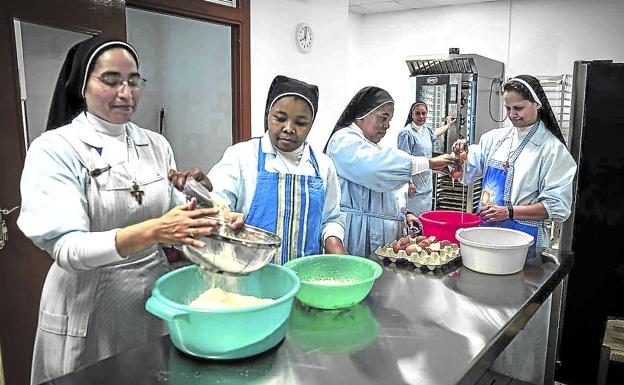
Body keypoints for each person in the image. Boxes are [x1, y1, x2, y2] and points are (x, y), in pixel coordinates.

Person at [17, 36, 241, 384]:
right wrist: (154, 231)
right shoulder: (54, 149)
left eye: (134, 81)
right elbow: (67, 249)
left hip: (150, 296)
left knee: (149, 374)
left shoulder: (155, 144)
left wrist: (214, 219)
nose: (126, 92)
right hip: (87, 301)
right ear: (82, 86)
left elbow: (176, 217)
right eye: (111, 80)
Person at [451, 74, 577, 384]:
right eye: (508, 108)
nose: (512, 115)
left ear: (537, 105)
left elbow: (558, 207)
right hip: (486, 240)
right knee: (483, 314)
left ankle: (519, 378)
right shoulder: (496, 139)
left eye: (518, 108)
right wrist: (460, 156)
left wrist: (509, 210)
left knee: (520, 321)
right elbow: (466, 174)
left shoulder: (551, 150)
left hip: (526, 243)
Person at [207, 75, 347, 263]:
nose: (289, 128)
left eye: (300, 123)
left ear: (311, 124)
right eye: (280, 118)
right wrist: (220, 214)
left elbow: (331, 217)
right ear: (268, 115)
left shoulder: (322, 166)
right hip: (250, 276)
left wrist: (334, 243)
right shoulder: (241, 156)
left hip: (305, 277)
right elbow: (214, 204)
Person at [324, 87, 453, 257]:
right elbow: (375, 170)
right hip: (360, 235)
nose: (387, 125)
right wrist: (429, 163)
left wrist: (404, 213)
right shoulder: (343, 141)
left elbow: (384, 189)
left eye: (389, 119)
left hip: (379, 235)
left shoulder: (372, 146)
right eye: (383, 118)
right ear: (364, 114)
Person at [397, 102, 456, 216]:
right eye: (417, 114)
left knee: (425, 219)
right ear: (412, 115)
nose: (421, 116)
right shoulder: (406, 133)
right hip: (414, 186)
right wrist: (409, 183)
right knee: (413, 220)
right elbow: (403, 161)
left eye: (424, 113)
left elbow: (435, 133)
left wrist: (448, 125)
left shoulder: (426, 130)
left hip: (426, 185)